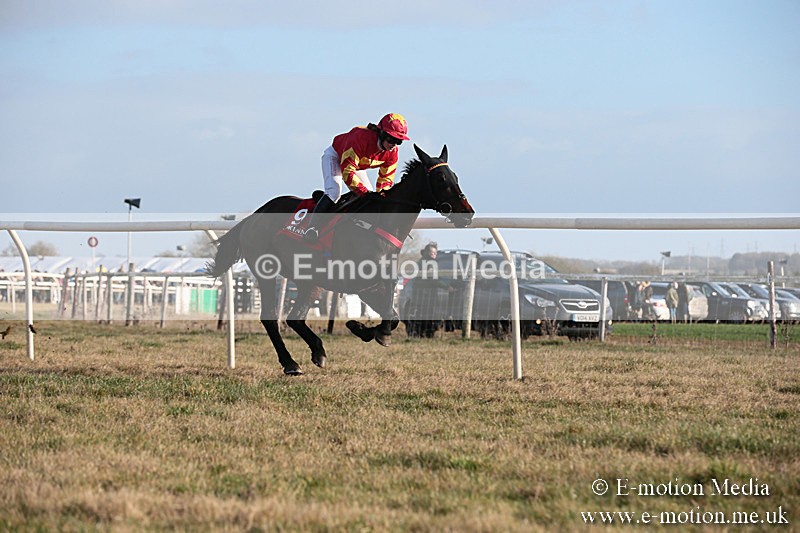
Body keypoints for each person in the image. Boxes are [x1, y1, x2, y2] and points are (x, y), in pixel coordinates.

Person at [304, 113, 411, 242]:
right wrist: (365, 193)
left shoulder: (393, 153)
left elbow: (385, 180)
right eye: (391, 139)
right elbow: (348, 173)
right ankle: (312, 228)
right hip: (336, 157)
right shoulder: (361, 139)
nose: (394, 144)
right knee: (334, 192)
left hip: (357, 165)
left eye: (399, 141)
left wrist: (382, 197)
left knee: (371, 200)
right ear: (382, 134)